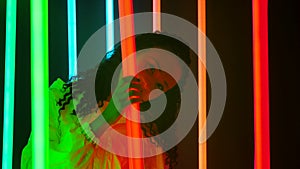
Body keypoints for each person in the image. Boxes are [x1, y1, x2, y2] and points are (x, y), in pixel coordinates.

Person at [21, 33, 192, 169]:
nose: (148, 85)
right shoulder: (60, 99)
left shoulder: (149, 142)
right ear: (132, 52)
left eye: (160, 86)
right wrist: (107, 117)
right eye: (151, 68)